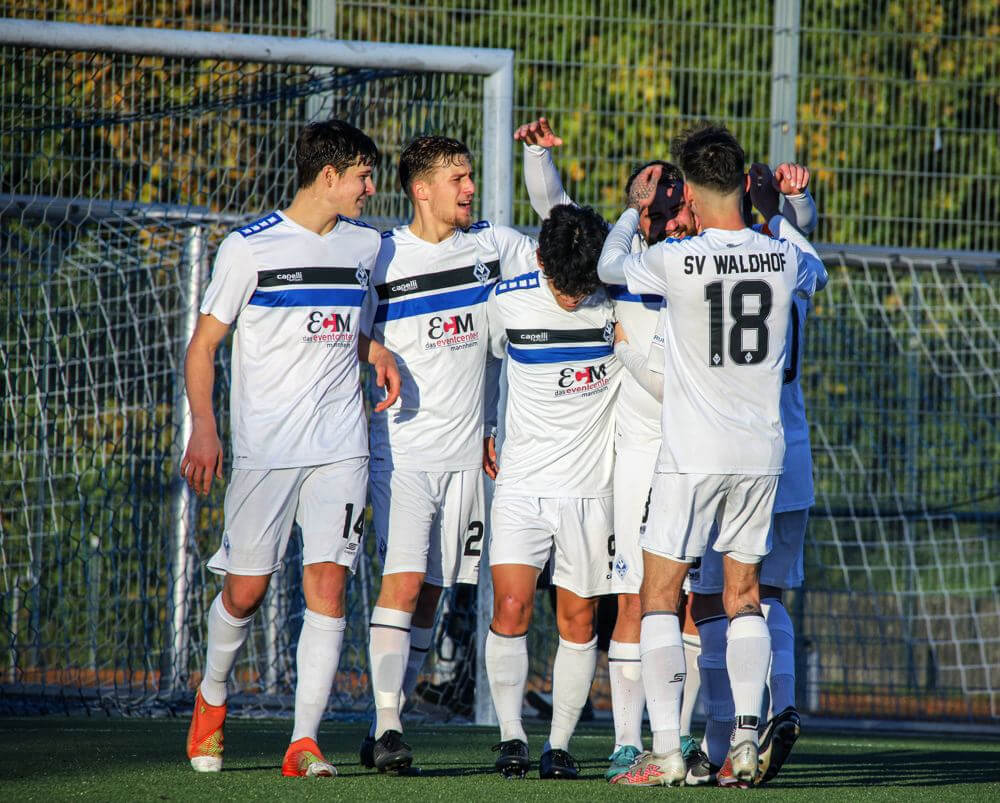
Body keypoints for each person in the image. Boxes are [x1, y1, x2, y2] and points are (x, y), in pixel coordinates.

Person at [598, 122, 825, 787]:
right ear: (743, 183)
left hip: (692, 452)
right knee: (745, 593)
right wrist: (779, 216)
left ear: (692, 195)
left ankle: (667, 750)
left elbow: (610, 267)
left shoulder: (678, 259)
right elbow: (815, 268)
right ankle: (746, 738)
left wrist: (634, 211)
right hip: (763, 453)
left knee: (659, 594)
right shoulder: (781, 256)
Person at [181, 119, 400, 777]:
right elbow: (203, 347)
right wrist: (204, 425)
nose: (369, 187)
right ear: (328, 175)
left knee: (329, 584)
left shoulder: (366, 245)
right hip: (266, 452)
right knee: (246, 592)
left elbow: (347, 328)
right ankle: (212, 695)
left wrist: (376, 350)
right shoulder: (248, 248)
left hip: (341, 446)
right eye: (362, 175)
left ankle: (303, 742)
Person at [514, 117, 700, 781]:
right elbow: (556, 210)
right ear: (636, 208)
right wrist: (538, 157)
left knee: (692, 600)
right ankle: (626, 741)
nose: (669, 209)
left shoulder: (704, 256)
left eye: (676, 197)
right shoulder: (616, 260)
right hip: (635, 450)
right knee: (633, 594)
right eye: (654, 197)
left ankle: (683, 736)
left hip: (697, 447)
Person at [362, 135, 538, 773]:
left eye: (470, 176)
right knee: (405, 583)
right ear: (421, 189)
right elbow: (341, 326)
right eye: (457, 179)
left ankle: (386, 726)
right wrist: (372, 349)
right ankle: (387, 723)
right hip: (403, 452)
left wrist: (493, 423)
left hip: (468, 458)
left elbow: (567, 252)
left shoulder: (493, 245)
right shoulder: (381, 255)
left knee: (433, 594)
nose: (469, 188)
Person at [483, 203, 620, 780]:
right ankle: (511, 735)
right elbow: (485, 364)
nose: (573, 297)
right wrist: (487, 426)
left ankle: (559, 743)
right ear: (540, 260)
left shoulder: (618, 299)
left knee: (579, 620)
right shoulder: (507, 300)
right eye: (564, 286)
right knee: (510, 606)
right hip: (521, 482)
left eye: (583, 287)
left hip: (592, 488)